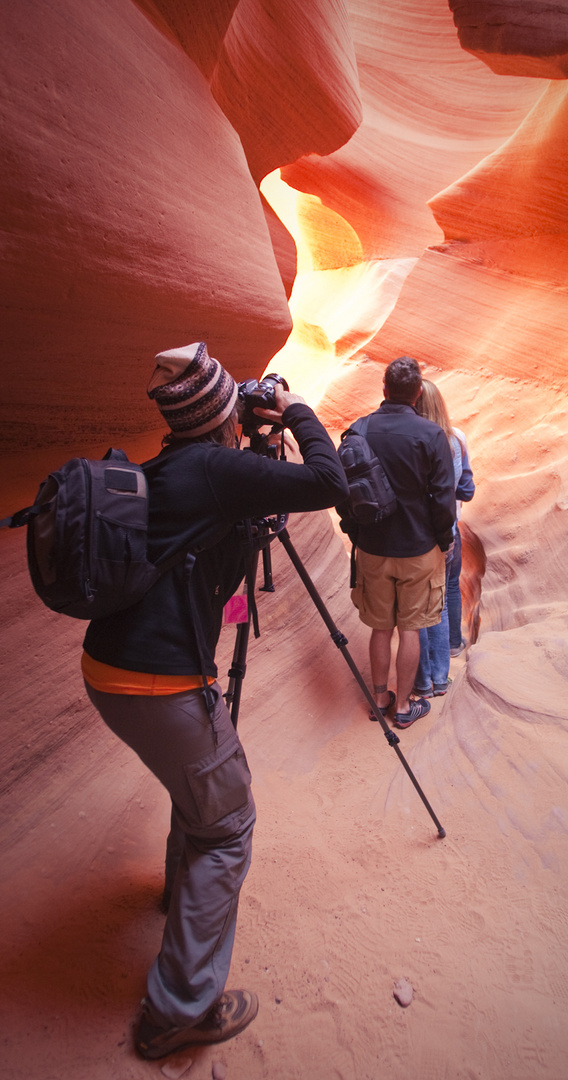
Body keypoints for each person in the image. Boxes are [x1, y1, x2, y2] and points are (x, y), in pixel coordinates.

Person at [81, 342, 349, 1060]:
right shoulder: (217, 468)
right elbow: (329, 478)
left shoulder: (174, 464)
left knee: (196, 783)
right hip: (159, 681)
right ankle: (178, 1010)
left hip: (109, 667)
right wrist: (295, 410)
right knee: (228, 823)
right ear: (221, 409)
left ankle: (180, 895)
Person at [344, 356, 456, 729]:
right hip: (419, 549)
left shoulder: (359, 430)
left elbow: (342, 490)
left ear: (384, 389)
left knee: (380, 628)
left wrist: (356, 535)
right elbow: (443, 497)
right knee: (410, 629)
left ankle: (379, 699)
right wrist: (445, 540)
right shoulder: (430, 435)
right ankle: (404, 706)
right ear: (418, 392)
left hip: (373, 549)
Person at [413, 380, 475, 697]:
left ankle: (427, 676)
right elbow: (467, 489)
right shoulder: (456, 438)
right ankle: (452, 646)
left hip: (422, 534)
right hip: (452, 527)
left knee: (423, 604)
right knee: (448, 588)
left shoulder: (415, 441)